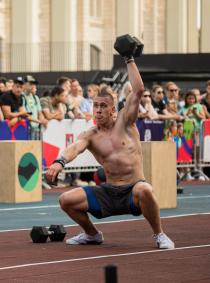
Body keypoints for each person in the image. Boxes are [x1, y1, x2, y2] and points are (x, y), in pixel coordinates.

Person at [46, 46, 175, 249]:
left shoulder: (125, 122)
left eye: (103, 106)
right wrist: (59, 162)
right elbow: (75, 148)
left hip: (133, 189)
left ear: (113, 110)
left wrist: (129, 58)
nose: (97, 110)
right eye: (95, 106)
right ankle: (92, 234)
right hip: (108, 192)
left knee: (146, 190)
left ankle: (159, 234)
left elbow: (139, 90)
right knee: (65, 200)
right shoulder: (91, 135)